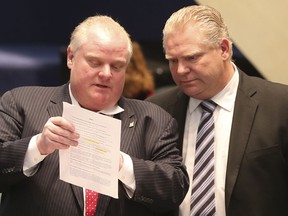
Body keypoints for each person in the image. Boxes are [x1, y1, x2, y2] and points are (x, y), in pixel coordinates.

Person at [0, 15, 189, 216]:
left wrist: (122, 165)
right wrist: (38, 146)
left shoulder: (155, 120)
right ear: (71, 57)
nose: (106, 74)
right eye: (95, 62)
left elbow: (175, 189)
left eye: (116, 66)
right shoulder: (21, 103)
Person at [147, 5, 288, 216]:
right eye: (173, 61)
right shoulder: (157, 110)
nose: (180, 70)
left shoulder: (279, 105)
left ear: (223, 49)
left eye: (192, 58)